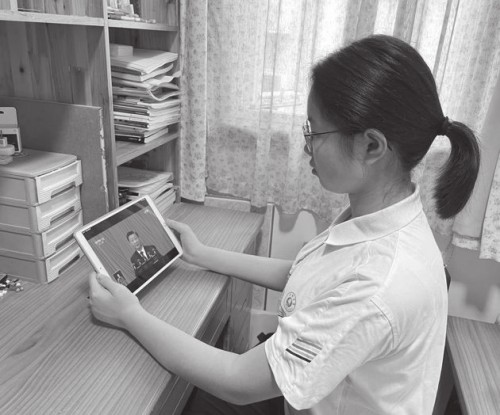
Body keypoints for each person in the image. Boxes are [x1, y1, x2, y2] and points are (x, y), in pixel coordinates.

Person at [89, 34, 480, 415]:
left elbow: (237, 381)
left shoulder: (380, 283)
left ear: (371, 146)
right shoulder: (381, 216)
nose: (307, 146)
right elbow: (307, 276)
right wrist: (202, 254)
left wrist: (129, 315)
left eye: (314, 131)